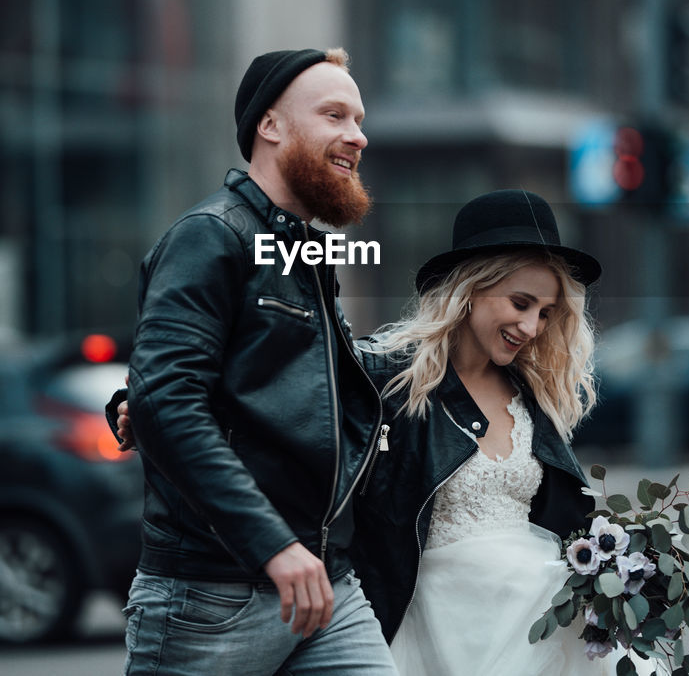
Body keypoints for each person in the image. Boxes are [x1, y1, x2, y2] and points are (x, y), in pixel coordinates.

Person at [119, 189, 631, 674]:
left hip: (529, 618)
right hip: (430, 625)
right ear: (471, 289)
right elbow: (272, 395)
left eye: (546, 313)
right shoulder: (384, 374)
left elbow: (570, 518)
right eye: (520, 304)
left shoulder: (532, 395)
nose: (533, 327)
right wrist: (138, 407)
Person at [114, 47, 397, 676]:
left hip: (326, 588)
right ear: (270, 126)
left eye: (358, 119)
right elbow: (166, 400)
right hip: (211, 599)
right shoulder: (212, 235)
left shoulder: (303, 252)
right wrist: (275, 546)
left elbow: (314, 386)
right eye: (334, 115)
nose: (358, 136)